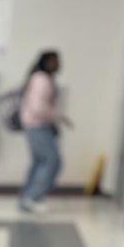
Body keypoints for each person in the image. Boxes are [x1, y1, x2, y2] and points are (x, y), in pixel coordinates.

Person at [17, 50, 72, 214]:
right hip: (37, 125)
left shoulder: (39, 79)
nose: (58, 64)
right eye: (55, 61)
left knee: (39, 163)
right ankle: (32, 197)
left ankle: (27, 197)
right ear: (47, 62)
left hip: (36, 125)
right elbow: (38, 107)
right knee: (52, 161)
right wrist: (58, 115)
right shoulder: (41, 79)